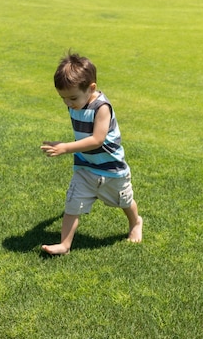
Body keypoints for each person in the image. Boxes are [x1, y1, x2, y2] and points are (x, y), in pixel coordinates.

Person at [40, 52, 143, 255]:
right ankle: (64, 245)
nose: (68, 103)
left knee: (125, 201)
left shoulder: (101, 107)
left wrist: (65, 147)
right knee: (72, 204)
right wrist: (64, 146)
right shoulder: (76, 102)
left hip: (112, 168)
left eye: (72, 98)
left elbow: (97, 139)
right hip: (85, 167)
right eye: (63, 98)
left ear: (91, 88)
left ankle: (135, 222)